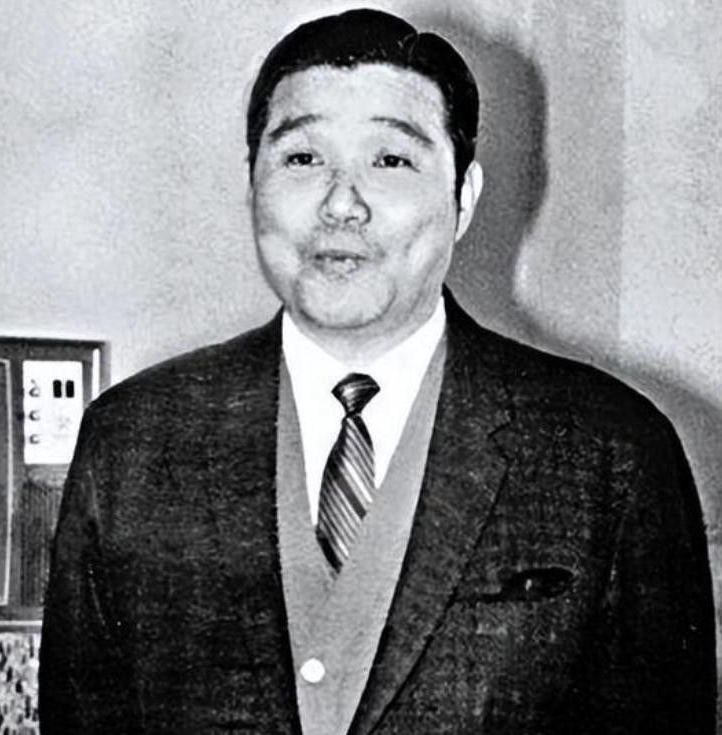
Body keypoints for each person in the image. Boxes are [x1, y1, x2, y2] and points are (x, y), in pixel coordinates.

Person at [39, 9, 715, 734]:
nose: (341, 203)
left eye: (390, 160)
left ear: (463, 197)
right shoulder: (133, 443)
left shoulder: (610, 453)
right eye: (303, 159)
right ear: (252, 184)